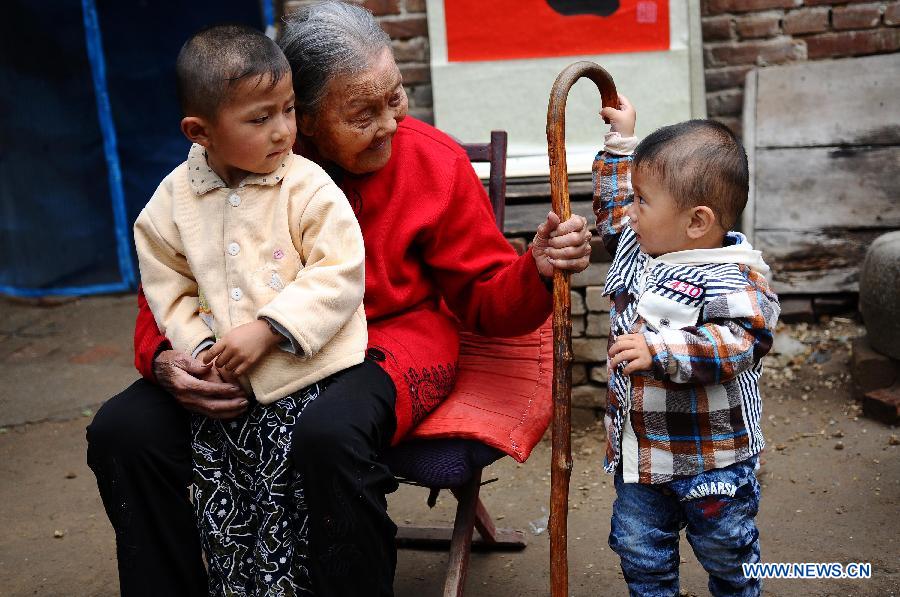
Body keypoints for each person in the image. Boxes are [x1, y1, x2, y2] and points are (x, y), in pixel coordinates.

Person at [86, 3, 593, 596]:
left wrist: (532, 269)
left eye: (396, 99)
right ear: (301, 113)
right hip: (250, 347)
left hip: (392, 340)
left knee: (330, 435)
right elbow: (174, 275)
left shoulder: (432, 161)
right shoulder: (240, 162)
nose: (389, 125)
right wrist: (165, 360)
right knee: (124, 431)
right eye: (361, 113)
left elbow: (486, 302)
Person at [132, 24, 368, 594]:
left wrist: (270, 329)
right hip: (224, 394)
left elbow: (339, 272)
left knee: (293, 508)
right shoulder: (172, 202)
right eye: (260, 119)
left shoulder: (307, 187)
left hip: (306, 379)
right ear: (200, 131)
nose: (284, 130)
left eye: (287, 110)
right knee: (226, 503)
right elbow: (169, 286)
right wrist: (197, 352)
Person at [593, 94, 780, 597]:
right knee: (639, 550)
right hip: (643, 458)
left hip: (713, 460)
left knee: (727, 549)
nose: (631, 211)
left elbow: (738, 343)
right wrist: (622, 143)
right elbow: (613, 210)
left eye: (643, 200)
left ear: (696, 221)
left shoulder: (735, 280)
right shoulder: (642, 241)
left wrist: (662, 351)